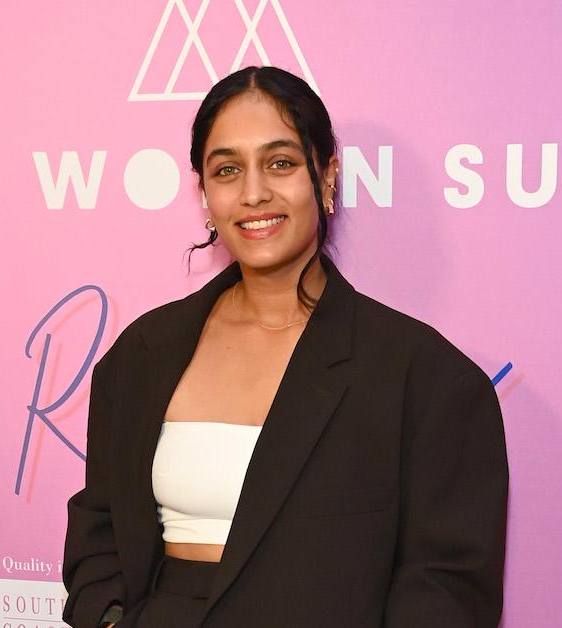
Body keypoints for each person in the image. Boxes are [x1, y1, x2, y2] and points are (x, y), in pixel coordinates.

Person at [62, 65, 509, 628]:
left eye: (280, 163)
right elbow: (99, 523)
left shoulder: (426, 379)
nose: (254, 193)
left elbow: (446, 589)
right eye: (227, 170)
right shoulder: (141, 355)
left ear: (326, 176)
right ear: (204, 192)